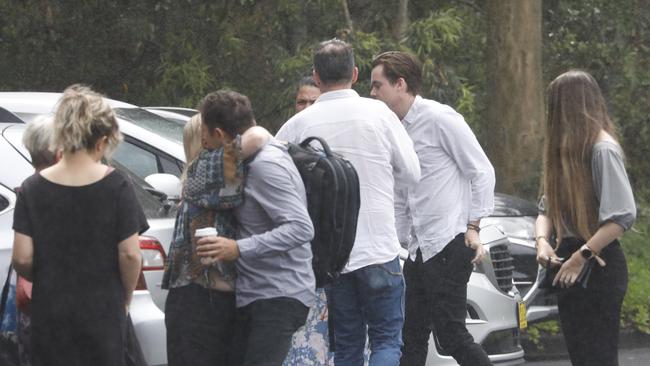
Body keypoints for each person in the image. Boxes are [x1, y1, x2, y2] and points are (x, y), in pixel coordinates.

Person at [276, 39, 420, 366]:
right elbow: (412, 173)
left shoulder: (296, 126)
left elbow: (274, 183)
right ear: (355, 74)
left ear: (316, 76)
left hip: (333, 256)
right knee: (386, 341)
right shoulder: (379, 114)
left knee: (347, 345)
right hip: (380, 249)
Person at [370, 51, 495, 366]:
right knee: (410, 339)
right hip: (417, 250)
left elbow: (481, 171)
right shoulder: (392, 129)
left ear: (400, 84)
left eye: (377, 85)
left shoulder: (440, 118)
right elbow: (402, 194)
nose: (372, 94)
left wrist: (473, 227)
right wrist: (396, 242)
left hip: (449, 243)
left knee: (451, 335)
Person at [11, 85, 147, 366]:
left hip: (50, 312)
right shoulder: (118, 185)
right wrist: (125, 298)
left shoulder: (31, 188)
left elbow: (22, 258)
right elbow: (131, 254)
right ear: (102, 140)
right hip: (103, 311)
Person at [195, 90, 315, 366]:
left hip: (279, 293)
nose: (202, 141)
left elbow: (300, 227)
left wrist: (238, 248)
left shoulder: (265, 166)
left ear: (220, 134)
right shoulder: (248, 159)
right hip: (257, 293)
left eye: (205, 133)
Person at [534, 70, 636, 366]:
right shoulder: (563, 153)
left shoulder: (602, 149)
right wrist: (542, 242)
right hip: (569, 260)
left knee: (599, 357)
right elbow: (546, 209)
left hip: (598, 262)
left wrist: (582, 256)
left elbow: (621, 216)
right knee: (581, 357)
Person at [163, 113, 271, 366]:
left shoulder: (199, 179)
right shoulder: (207, 173)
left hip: (203, 301)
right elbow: (257, 136)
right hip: (199, 302)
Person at [282, 77, 334, 366]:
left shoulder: (332, 149)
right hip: (296, 263)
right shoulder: (284, 144)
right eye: (301, 101)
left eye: (312, 101)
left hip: (329, 259)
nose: (306, 107)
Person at [15, 116, 60, 366]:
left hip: (31, 302)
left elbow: (22, 258)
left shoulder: (27, 189)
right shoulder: (65, 189)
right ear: (58, 151)